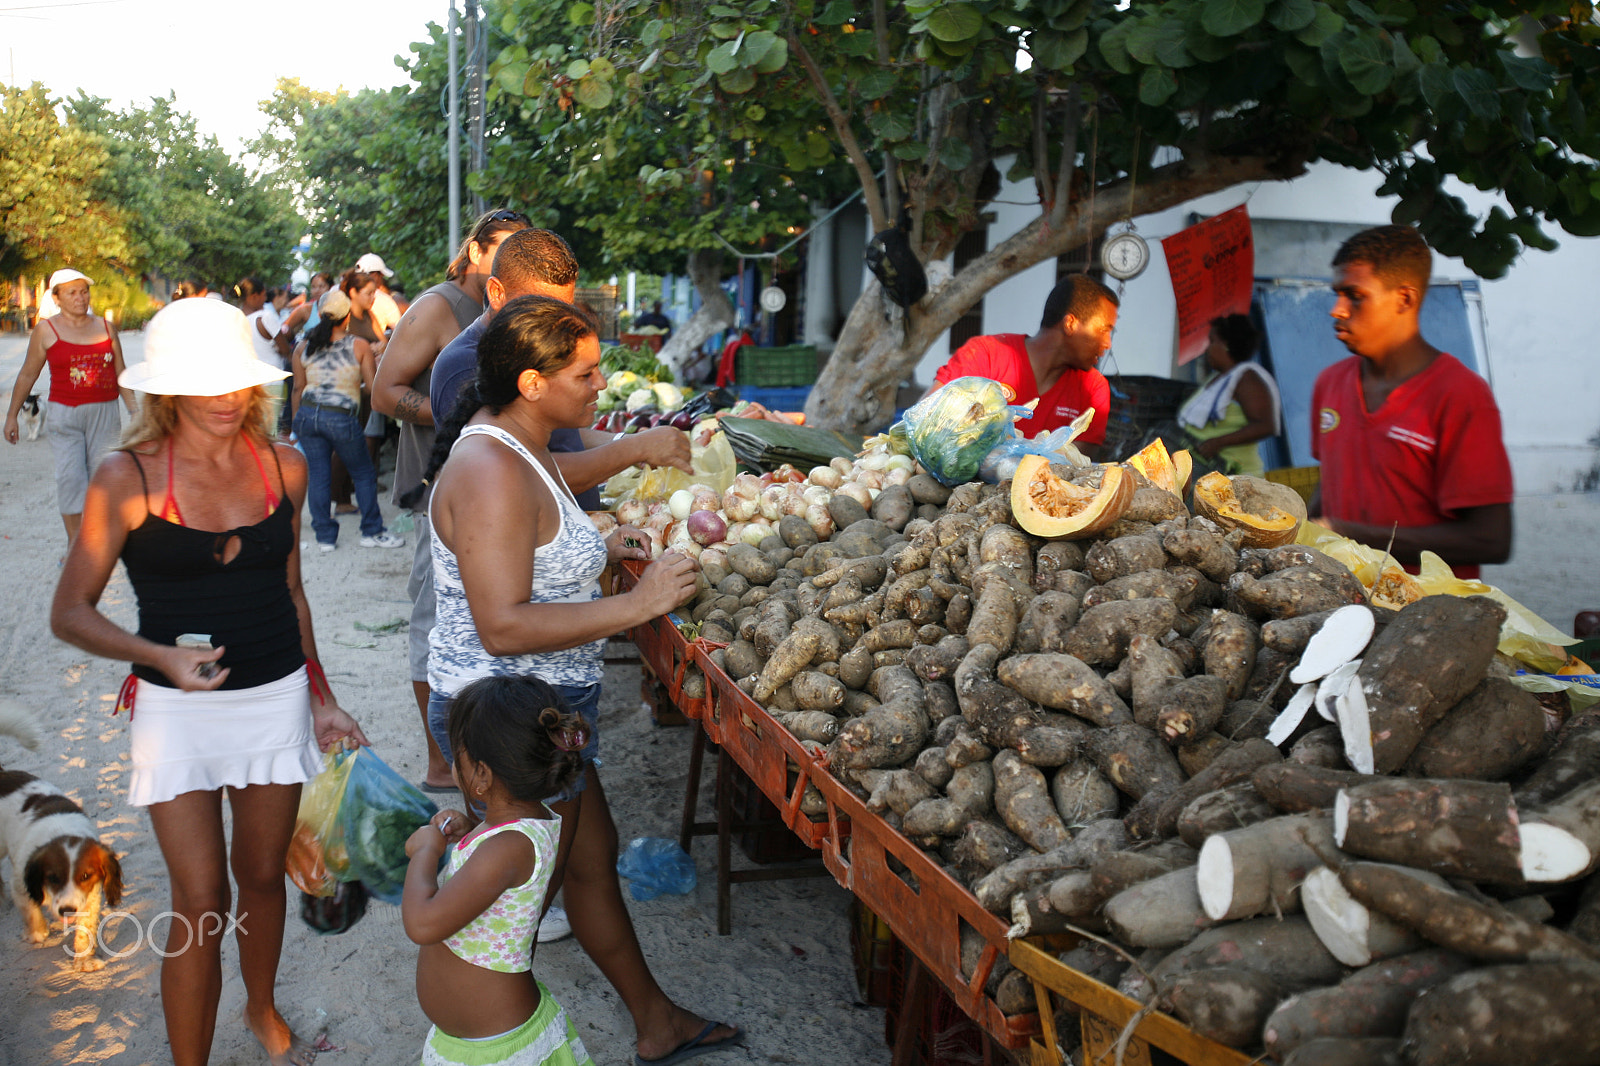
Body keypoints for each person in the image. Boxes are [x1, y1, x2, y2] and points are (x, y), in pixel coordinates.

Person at [49, 297, 368, 1066]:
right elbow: (70, 611)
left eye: (237, 382)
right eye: (207, 385)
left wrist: (320, 698)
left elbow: (292, 592)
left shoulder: (283, 464)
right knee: (201, 899)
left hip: (275, 699)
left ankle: (259, 1005)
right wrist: (159, 657)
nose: (229, 398)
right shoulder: (122, 476)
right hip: (175, 712)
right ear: (166, 390)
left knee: (260, 875)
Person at [426, 295, 740, 1065]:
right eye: (587, 373)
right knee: (510, 915)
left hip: (545, 712)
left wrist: (600, 546)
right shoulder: (490, 468)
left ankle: (654, 1019)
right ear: (533, 383)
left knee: (589, 861)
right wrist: (637, 601)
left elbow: (546, 500)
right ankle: (484, 1043)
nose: (602, 385)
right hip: (503, 724)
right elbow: (502, 622)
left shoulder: (515, 446)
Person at [373, 208, 532, 795]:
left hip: (494, 484)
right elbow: (385, 390)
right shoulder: (439, 308)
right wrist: (454, 417)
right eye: (503, 250)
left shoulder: (511, 312)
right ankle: (441, 760)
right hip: (442, 484)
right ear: (473, 251)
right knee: (434, 618)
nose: (512, 263)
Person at [426, 228, 692, 514]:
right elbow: (525, 472)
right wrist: (633, 449)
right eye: (540, 306)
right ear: (497, 292)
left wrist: (629, 442)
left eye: (564, 307)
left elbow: (565, 439)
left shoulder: (531, 350)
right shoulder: (464, 364)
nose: (557, 320)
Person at [402, 676, 595, 1066]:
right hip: (483, 1039)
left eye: (457, 755)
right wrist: (466, 834)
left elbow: (422, 924)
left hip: (496, 1050)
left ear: (482, 775)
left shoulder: (506, 849)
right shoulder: (518, 827)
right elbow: (490, 866)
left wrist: (424, 852)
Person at [1309, 224, 1513, 579]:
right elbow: (1331, 484)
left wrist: (1352, 534)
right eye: (1337, 294)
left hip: (1429, 614)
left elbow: (1492, 540)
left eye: (1354, 295)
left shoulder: (1460, 395)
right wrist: (1307, 529)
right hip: (1343, 600)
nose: (1337, 310)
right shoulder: (1330, 383)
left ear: (1404, 298)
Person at [5, 268, 136, 542]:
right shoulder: (45, 330)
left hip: (105, 412)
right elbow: (28, 374)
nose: (80, 298)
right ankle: (76, 545)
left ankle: (100, 542)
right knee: (70, 479)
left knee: (104, 478)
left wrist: (135, 412)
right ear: (57, 298)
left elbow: (121, 372)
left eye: (84, 291)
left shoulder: (106, 327)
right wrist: (12, 416)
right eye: (72, 293)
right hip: (65, 415)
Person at [926, 273, 1118, 458]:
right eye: (1103, 330)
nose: (1108, 343)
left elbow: (1072, 465)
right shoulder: (984, 355)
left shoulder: (1094, 389)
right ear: (1070, 324)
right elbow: (927, 417)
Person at [290, 289, 404, 552]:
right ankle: (372, 531)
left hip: (308, 414)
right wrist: (357, 384)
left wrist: (297, 422)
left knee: (318, 475)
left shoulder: (303, 347)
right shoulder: (358, 346)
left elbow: (298, 388)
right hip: (341, 417)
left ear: (319, 314)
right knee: (363, 473)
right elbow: (371, 387)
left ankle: (325, 537)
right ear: (347, 318)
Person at [1174, 313, 1282, 477]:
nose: (1208, 348)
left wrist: (1217, 443)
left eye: (1212, 341)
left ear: (1226, 345)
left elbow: (1266, 426)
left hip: (1236, 477)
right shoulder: (1218, 378)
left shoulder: (1247, 378)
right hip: (1205, 473)